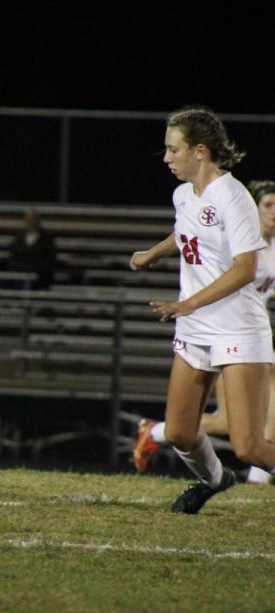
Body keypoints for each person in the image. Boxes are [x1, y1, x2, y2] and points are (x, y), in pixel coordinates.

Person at [129, 107, 275, 514]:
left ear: (200, 151)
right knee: (177, 432)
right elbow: (186, 231)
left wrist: (187, 303)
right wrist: (155, 253)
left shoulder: (234, 197)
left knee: (249, 446)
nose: (166, 157)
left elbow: (246, 268)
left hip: (237, 329)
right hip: (196, 327)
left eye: (172, 149)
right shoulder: (183, 194)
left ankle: (228, 471)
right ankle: (214, 479)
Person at [6, 208, 55, 289]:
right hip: (19, 275)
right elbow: (13, 257)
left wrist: (33, 271)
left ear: (38, 221)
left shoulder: (46, 239)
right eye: (28, 219)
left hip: (39, 277)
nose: (31, 222)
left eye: (33, 219)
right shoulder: (18, 238)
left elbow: (48, 260)